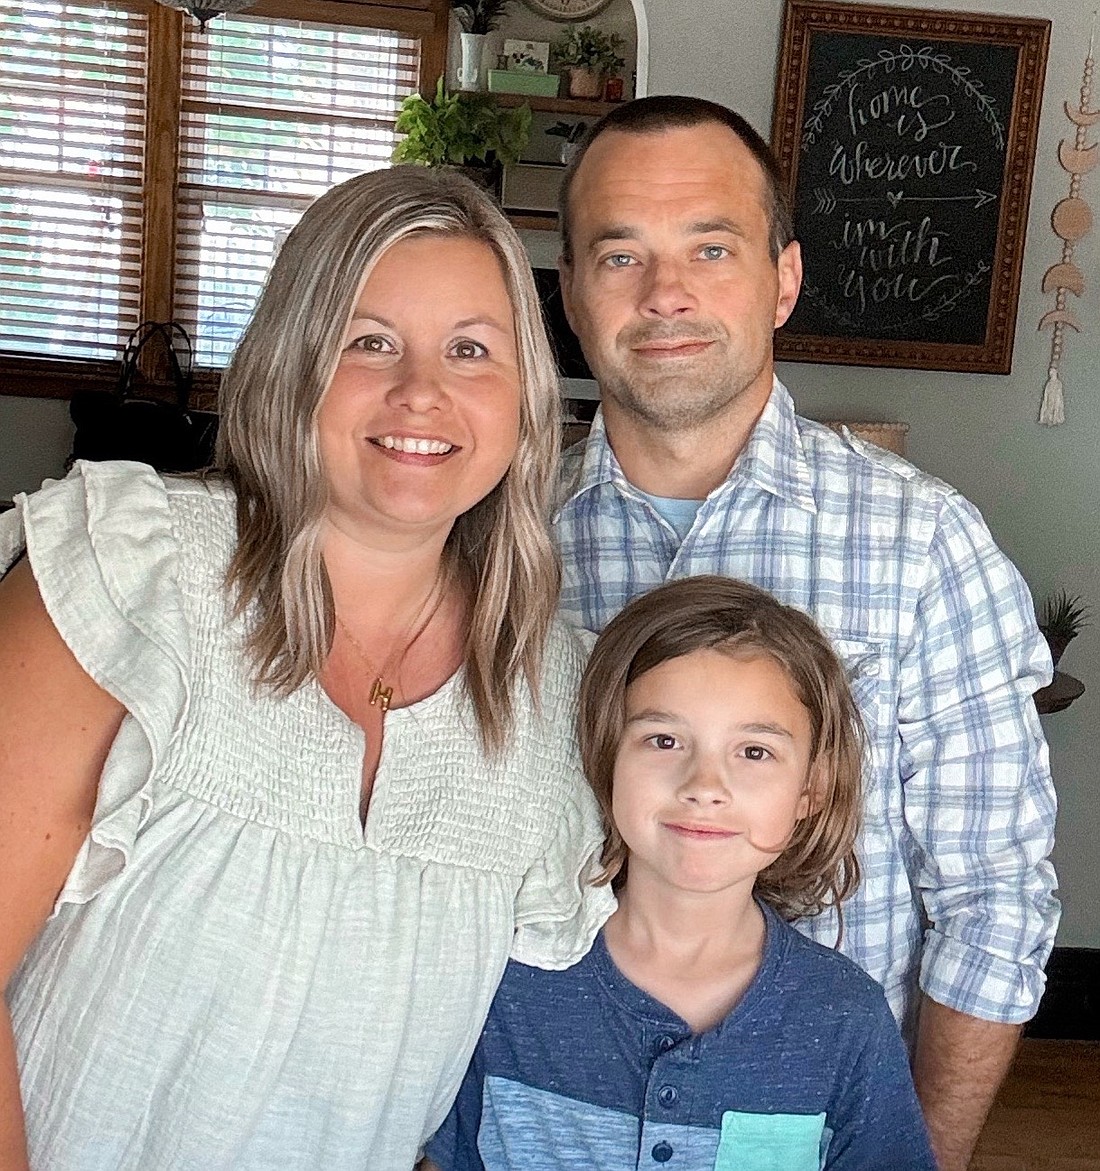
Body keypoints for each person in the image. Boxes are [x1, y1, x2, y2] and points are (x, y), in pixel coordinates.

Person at [0, 167, 614, 1170]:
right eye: (367, 341)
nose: (422, 391)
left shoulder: (550, 698)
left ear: (524, 401)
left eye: (470, 349)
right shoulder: (130, 569)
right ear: (293, 362)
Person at [550, 95, 1059, 1171]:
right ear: (570, 293)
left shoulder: (924, 543)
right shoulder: (500, 544)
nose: (666, 293)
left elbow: (992, 898)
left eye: (709, 246)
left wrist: (912, 1151)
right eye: (619, 255)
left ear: (782, 278)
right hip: (540, 1115)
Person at [424, 576, 938, 1171]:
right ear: (606, 753)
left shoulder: (845, 1018)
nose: (704, 787)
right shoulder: (505, 985)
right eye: (664, 740)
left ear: (811, 791)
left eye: (754, 752)